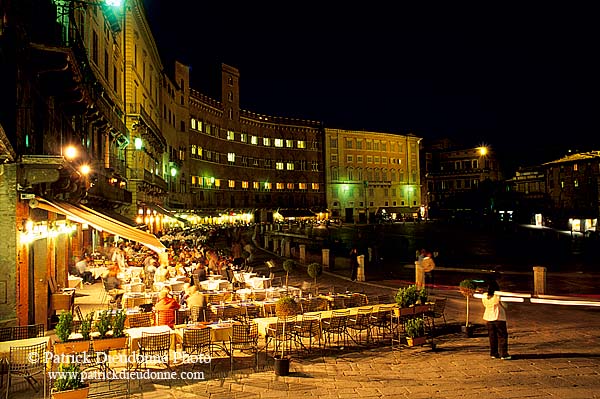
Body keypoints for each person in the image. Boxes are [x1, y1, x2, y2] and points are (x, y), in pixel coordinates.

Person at [482, 279, 511, 360]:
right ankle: (503, 354)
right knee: (502, 336)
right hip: (499, 317)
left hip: (488, 317)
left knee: (492, 337)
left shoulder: (484, 296)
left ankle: (493, 353)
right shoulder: (498, 296)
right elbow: (505, 306)